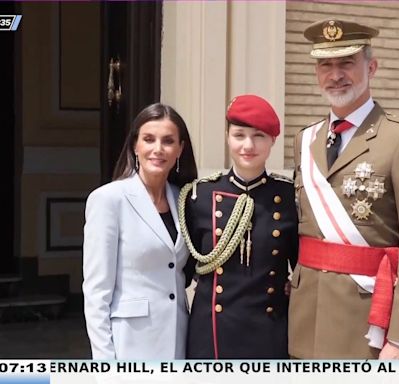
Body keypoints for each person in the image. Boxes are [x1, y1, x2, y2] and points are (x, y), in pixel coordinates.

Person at [289, 19, 399, 359]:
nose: (336, 74)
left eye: (347, 62)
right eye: (325, 65)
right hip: (305, 319)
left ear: (371, 67)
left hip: (369, 325)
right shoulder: (305, 140)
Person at [179, 94, 298, 359]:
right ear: (227, 136)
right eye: (239, 135)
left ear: (273, 141)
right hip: (212, 331)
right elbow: (183, 270)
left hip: (270, 328)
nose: (248, 145)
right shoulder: (199, 195)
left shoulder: (290, 197)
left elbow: (302, 266)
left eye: (259, 136)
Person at [82, 103, 198, 359]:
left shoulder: (185, 200)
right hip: (129, 344)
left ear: (180, 149)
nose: (158, 149)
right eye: (149, 139)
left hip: (178, 340)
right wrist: (105, 364)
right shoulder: (109, 200)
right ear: (135, 145)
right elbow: (96, 293)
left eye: (168, 141)